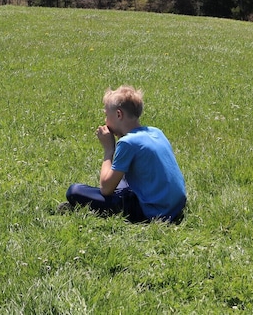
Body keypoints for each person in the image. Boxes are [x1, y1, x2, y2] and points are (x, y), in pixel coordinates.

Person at [63, 85, 187, 223]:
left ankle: (86, 206)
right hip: (175, 206)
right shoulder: (156, 132)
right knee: (121, 178)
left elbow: (106, 189)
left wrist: (109, 150)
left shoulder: (128, 143)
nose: (105, 121)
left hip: (153, 212)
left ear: (118, 114)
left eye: (106, 115)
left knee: (74, 191)